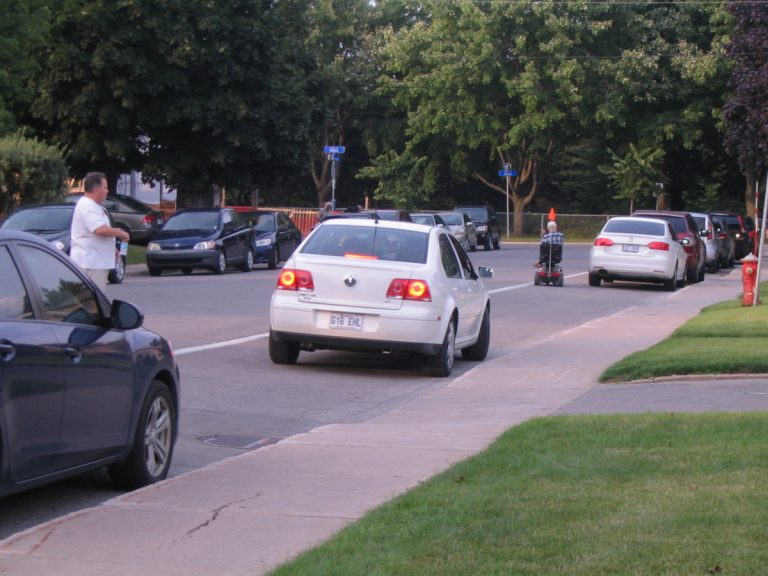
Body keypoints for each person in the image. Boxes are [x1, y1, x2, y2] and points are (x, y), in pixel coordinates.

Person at [70, 172, 130, 290]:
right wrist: (120, 232)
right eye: (105, 187)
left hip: (96, 262)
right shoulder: (87, 206)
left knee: (94, 301)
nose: (107, 191)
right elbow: (99, 229)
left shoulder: (95, 206)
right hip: (91, 263)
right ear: (96, 188)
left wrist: (112, 248)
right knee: (93, 301)